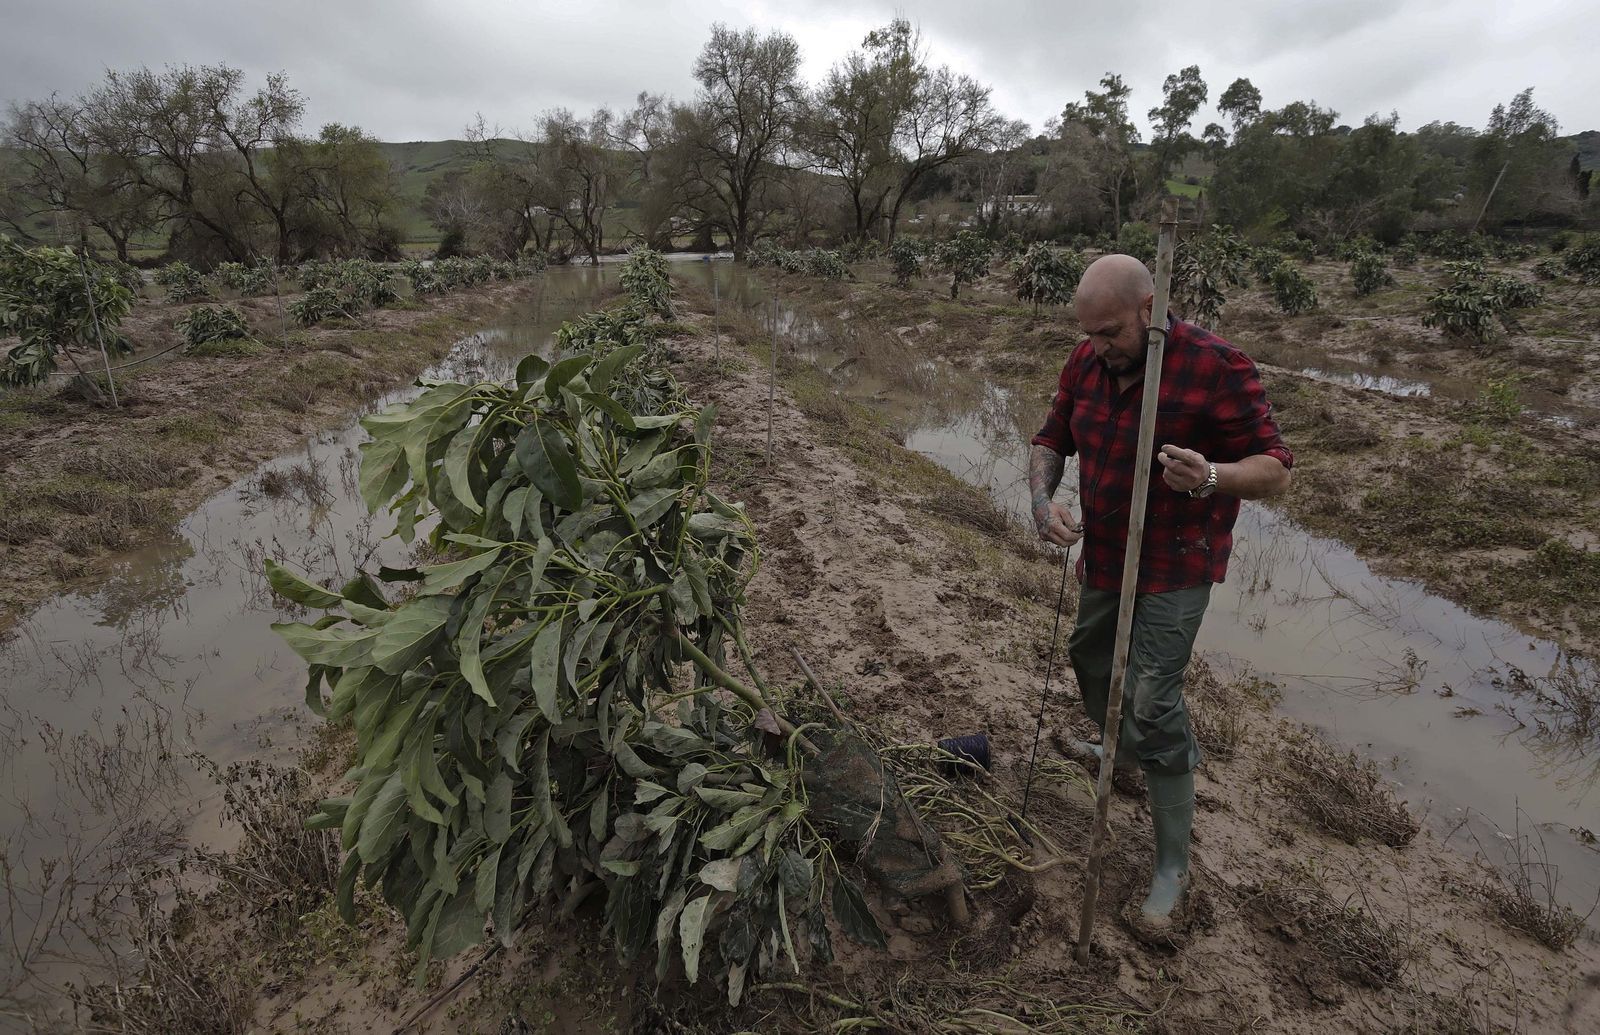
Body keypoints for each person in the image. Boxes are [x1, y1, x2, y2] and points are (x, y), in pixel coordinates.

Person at [1027, 253, 1293, 940]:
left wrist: (1211, 476)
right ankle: (1115, 751)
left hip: (1178, 564)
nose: (1099, 347)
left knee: (1152, 697)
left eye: (1111, 332)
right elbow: (1050, 439)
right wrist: (1040, 497)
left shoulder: (1215, 365)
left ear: (1150, 309)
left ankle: (1172, 865)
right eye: (1088, 333)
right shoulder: (1087, 362)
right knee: (1088, 656)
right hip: (1108, 555)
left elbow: (1275, 469)